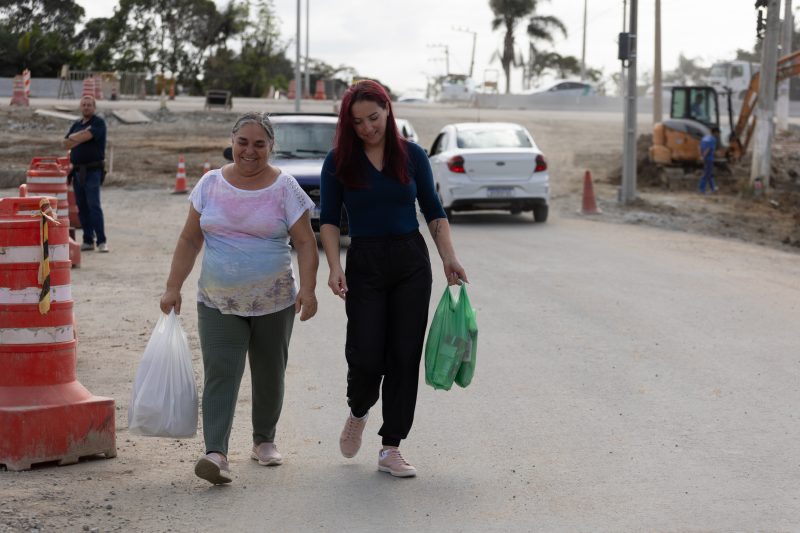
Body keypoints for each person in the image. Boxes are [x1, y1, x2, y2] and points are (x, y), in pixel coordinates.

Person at [160, 112, 319, 485]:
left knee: (269, 373)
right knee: (221, 373)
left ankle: (264, 439)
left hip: (274, 301)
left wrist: (308, 289)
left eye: (259, 144)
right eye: (243, 142)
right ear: (231, 142)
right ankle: (216, 452)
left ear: (270, 147)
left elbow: (306, 242)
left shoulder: (286, 188)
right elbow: (189, 239)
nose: (250, 151)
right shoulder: (210, 184)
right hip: (218, 299)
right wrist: (172, 286)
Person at [319, 80, 468, 478]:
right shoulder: (338, 161)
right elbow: (329, 220)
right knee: (366, 354)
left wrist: (449, 259)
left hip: (410, 260)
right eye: (358, 122)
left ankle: (391, 447)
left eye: (374, 118)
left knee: (404, 355)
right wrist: (334, 266)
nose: (368, 127)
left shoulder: (413, 155)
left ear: (388, 112)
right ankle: (358, 409)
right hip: (364, 260)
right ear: (347, 123)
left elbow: (434, 212)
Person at [62, 95, 109, 252]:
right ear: (80, 107)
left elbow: (87, 136)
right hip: (77, 172)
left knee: (94, 205)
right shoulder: (76, 124)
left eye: (89, 105)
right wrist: (79, 137)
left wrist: (76, 137)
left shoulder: (98, 123)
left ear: (94, 107)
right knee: (82, 206)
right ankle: (88, 240)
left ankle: (102, 241)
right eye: (84, 104)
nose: (86, 107)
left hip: (93, 171)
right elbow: (65, 143)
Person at [699, 126, 720, 194]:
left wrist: (701, 155)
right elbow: (708, 149)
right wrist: (703, 156)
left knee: (710, 174)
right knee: (706, 174)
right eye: (718, 133)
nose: (719, 134)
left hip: (706, 158)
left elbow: (700, 147)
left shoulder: (705, 138)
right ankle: (702, 190)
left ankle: (713, 188)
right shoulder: (713, 139)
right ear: (715, 132)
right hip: (709, 159)